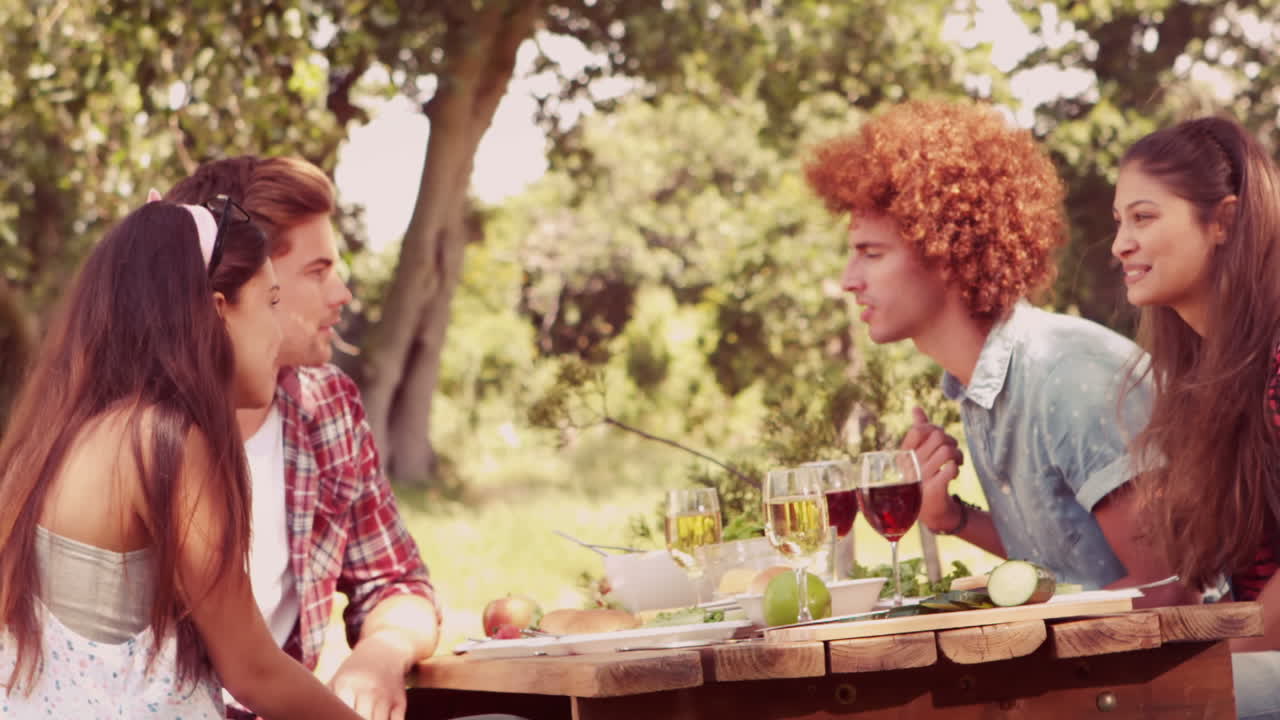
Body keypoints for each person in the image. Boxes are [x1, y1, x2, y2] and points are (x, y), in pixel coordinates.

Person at [804, 99, 1188, 602]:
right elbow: (1064, 558)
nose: (848, 281)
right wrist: (949, 517)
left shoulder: (1068, 378)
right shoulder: (985, 386)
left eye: (871, 254)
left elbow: (1171, 586)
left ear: (944, 249)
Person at [0, 198, 363, 718]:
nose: (278, 332)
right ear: (217, 310)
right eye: (271, 302)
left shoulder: (53, 441)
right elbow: (253, 670)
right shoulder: (162, 440)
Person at [165, 157, 443, 720]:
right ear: (232, 289)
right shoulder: (148, 435)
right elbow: (244, 669)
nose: (341, 294)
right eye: (317, 272)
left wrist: (380, 653)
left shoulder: (325, 405)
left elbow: (396, 580)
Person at [1112, 115, 1280, 719]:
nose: (1120, 244)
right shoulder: (1201, 374)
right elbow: (1198, 578)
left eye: (1144, 217)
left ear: (1224, 221)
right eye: (1119, 221)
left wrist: (1202, 690)